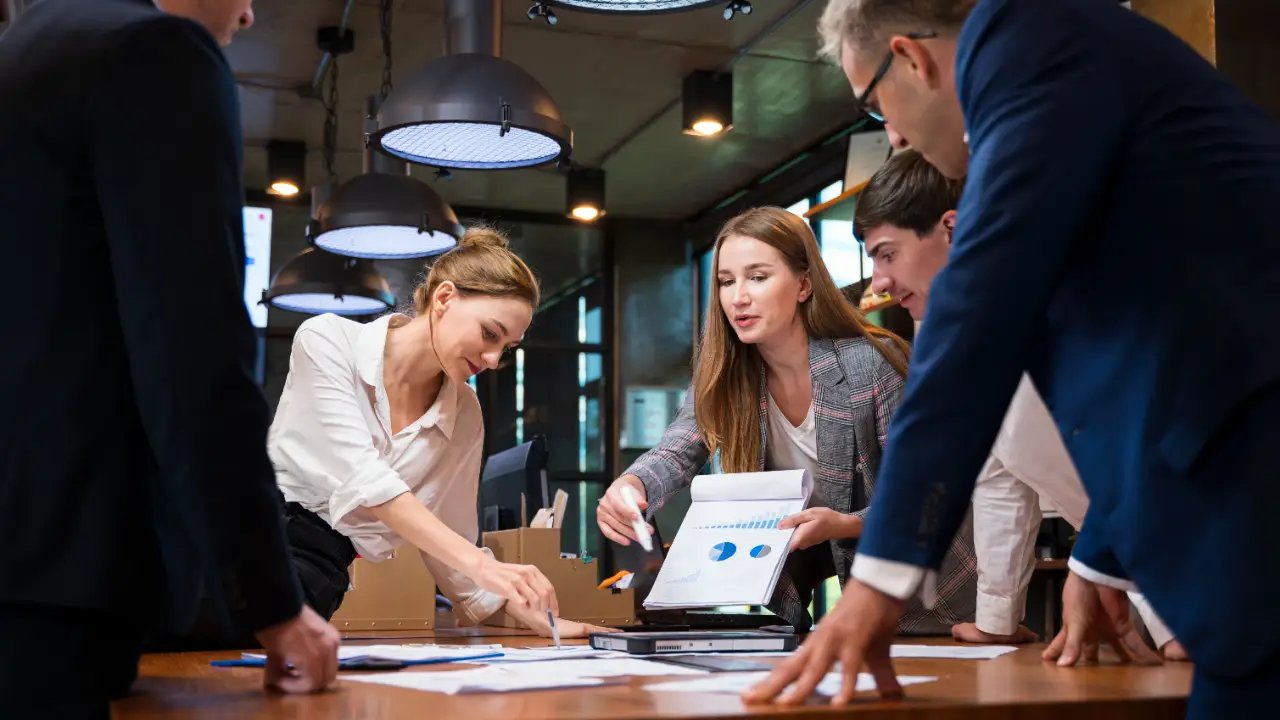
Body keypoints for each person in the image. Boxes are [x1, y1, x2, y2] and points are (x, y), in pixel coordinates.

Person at [746, 0, 1280, 714]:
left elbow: (977, 310)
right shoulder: (1060, 78)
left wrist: (874, 588)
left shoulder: (1027, 42)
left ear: (910, 57)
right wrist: (1100, 558)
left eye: (875, 107)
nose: (895, 137)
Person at [0, 0, 339, 715]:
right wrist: (274, 603)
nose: (248, 16)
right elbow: (194, 348)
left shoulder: (33, 41)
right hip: (57, 578)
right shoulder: (155, 53)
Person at [854, 149, 1185, 658]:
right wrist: (996, 620)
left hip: (1204, 542)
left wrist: (1090, 565)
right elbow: (998, 477)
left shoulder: (1059, 298)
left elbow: (1135, 451)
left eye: (886, 254)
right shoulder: (963, 338)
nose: (877, 282)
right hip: (1142, 564)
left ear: (950, 229)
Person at [596, 206, 977, 634]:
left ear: (803, 284)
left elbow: (930, 493)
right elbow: (675, 451)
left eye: (757, 277)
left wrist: (848, 524)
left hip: (930, 598)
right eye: (726, 281)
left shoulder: (870, 365)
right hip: (831, 606)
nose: (738, 296)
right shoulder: (726, 377)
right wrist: (633, 485)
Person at [270, 229, 606, 639]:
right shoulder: (327, 341)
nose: (493, 358)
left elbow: (450, 534)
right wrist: (486, 565)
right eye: (489, 333)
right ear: (444, 298)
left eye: (508, 347)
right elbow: (366, 480)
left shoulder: (465, 413)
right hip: (256, 535)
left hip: (320, 573)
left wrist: (532, 616)